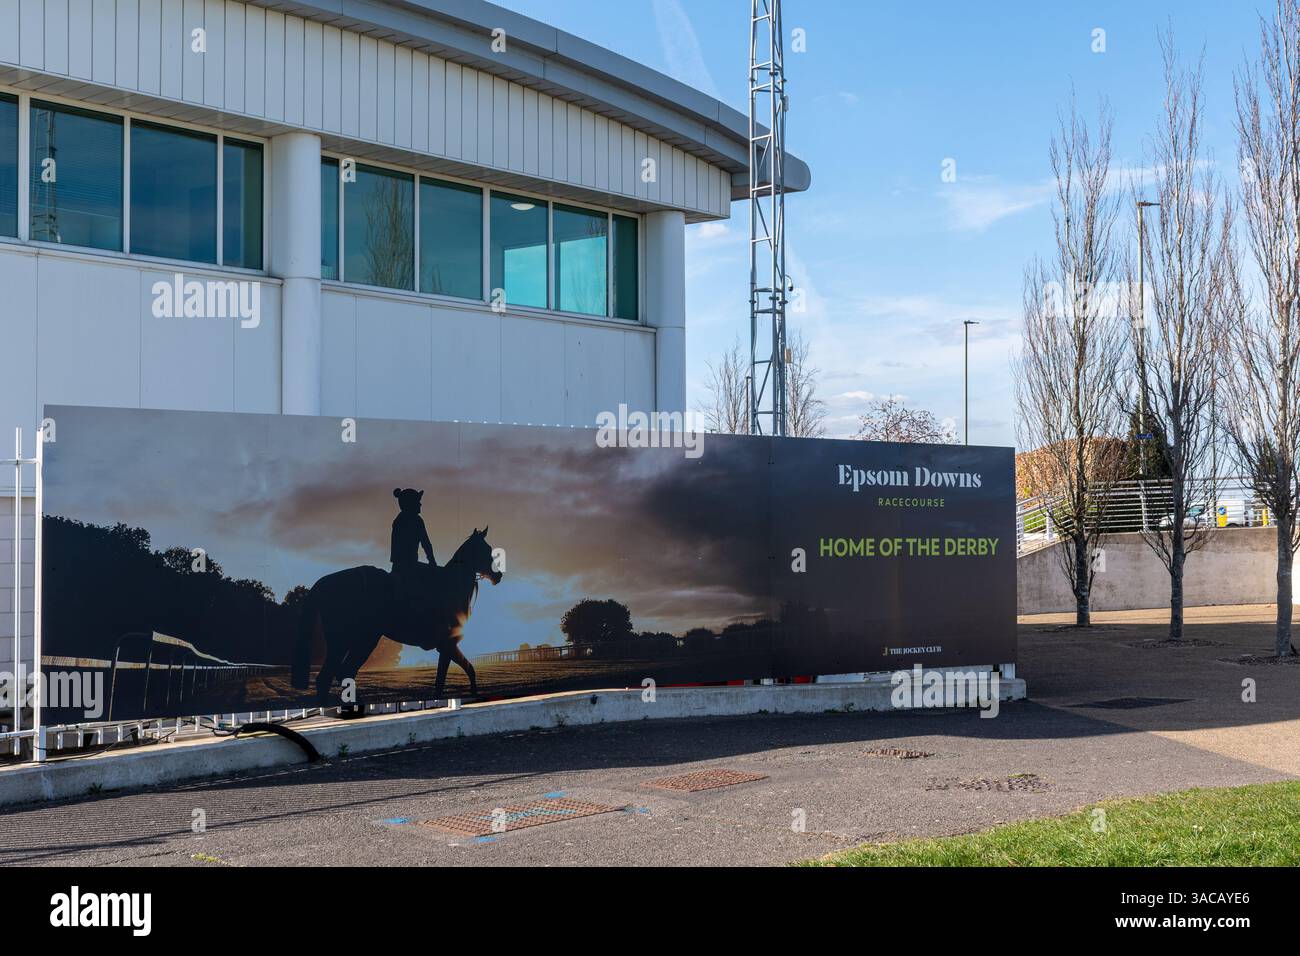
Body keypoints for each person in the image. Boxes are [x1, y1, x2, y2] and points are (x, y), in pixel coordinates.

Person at [390, 488, 436, 643]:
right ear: (410, 504)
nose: (420, 505)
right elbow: (426, 544)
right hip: (409, 566)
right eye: (418, 501)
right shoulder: (415, 520)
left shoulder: (399, 520)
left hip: (399, 566)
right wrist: (433, 564)